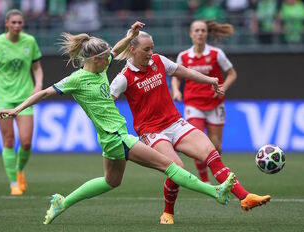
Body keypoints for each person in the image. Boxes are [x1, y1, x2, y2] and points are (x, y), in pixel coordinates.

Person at [0, 21, 236, 225]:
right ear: (95, 59)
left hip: (111, 137)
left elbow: (119, 48)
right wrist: (18, 109)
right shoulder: (76, 79)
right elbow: (44, 93)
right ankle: (214, 191)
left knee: (111, 181)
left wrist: (131, 35)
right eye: (106, 58)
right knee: (170, 166)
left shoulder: (100, 67)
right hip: (116, 137)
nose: (111, 61)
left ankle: (63, 201)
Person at [110, 25, 270, 225]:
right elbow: (106, 102)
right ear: (132, 49)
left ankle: (245, 197)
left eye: (152, 48)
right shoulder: (123, 78)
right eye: (146, 49)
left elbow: (182, 71)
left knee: (211, 153)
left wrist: (210, 80)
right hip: (152, 131)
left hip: (174, 122)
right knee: (176, 166)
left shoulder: (158, 61)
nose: (151, 53)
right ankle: (168, 213)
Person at [0, 9, 44, 196]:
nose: (17, 25)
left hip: (24, 97)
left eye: (20, 22)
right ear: (7, 24)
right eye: (14, 22)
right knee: (8, 141)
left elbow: (37, 68)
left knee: (25, 143)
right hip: (3, 97)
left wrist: (38, 84)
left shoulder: (30, 41)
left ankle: (18, 170)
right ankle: (13, 183)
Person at [172, 20, 236, 183]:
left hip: (215, 104)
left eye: (203, 30)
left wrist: (224, 87)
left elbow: (232, 74)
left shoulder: (216, 53)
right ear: (191, 34)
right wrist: (176, 90)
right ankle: (205, 181)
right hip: (193, 105)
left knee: (216, 147)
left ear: (207, 34)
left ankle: (216, 172)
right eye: (197, 31)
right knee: (199, 145)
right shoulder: (184, 56)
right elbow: (176, 77)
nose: (200, 33)